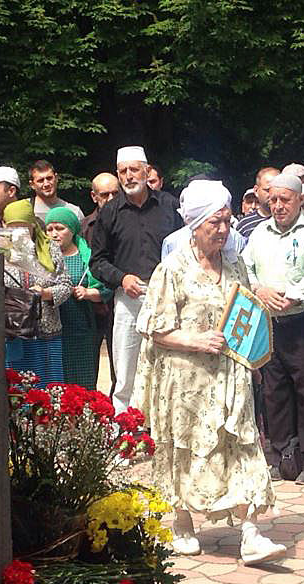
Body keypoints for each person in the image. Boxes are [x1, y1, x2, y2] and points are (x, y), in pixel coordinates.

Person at [131, 179, 286, 566]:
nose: (223, 230)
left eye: (227, 221)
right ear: (195, 224)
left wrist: (253, 360)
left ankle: (251, 533)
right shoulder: (172, 269)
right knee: (184, 451)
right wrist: (195, 340)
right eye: (215, 222)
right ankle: (182, 522)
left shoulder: (235, 265)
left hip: (232, 377)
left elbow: (245, 315)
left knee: (243, 446)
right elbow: (154, 328)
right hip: (186, 381)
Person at [242, 173, 304, 483]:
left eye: (285, 199)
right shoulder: (260, 232)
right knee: (274, 391)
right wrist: (259, 289)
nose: (278, 206)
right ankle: (282, 454)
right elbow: (246, 267)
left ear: (300, 200)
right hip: (270, 323)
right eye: (273, 200)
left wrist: (291, 297)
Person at [89, 146, 180, 411]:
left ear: (146, 170)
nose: (128, 176)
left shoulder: (169, 206)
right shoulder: (110, 212)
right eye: (123, 171)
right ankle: (125, 425)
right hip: (128, 297)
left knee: (168, 364)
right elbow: (97, 262)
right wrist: (121, 278)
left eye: (134, 170)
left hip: (168, 296)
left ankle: (163, 423)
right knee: (126, 369)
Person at [1, 199, 73, 385]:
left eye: (24, 226)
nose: (19, 232)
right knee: (17, 387)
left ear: (33, 225)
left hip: (46, 332)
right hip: (14, 332)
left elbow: (66, 285)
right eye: (13, 227)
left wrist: (45, 293)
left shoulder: (50, 248)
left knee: (48, 388)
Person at [43, 205, 108, 389]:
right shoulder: (42, 257)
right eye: (50, 229)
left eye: (60, 228)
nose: (54, 234)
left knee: (82, 382)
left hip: (81, 328)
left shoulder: (87, 256)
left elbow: (104, 289)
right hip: (51, 329)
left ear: (72, 230)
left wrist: (88, 293)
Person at [236, 166, 280, 238]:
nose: (273, 194)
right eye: (268, 190)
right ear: (256, 190)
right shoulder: (245, 225)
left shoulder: (290, 219)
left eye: (277, 189)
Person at [82, 173, 120, 244]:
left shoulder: (132, 220)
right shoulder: (84, 228)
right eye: (105, 195)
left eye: (115, 193)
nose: (111, 199)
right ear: (94, 196)